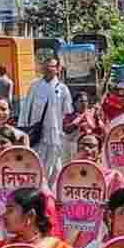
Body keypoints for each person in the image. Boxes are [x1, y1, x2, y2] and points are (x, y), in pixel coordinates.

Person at [19, 57, 73, 186]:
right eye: (46, 66)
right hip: (37, 134)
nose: (48, 69)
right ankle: (41, 189)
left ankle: (50, 192)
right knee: (39, 164)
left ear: (58, 69)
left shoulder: (63, 89)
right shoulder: (35, 86)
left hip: (56, 135)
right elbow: (26, 107)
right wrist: (23, 128)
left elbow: (68, 112)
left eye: (52, 66)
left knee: (55, 167)